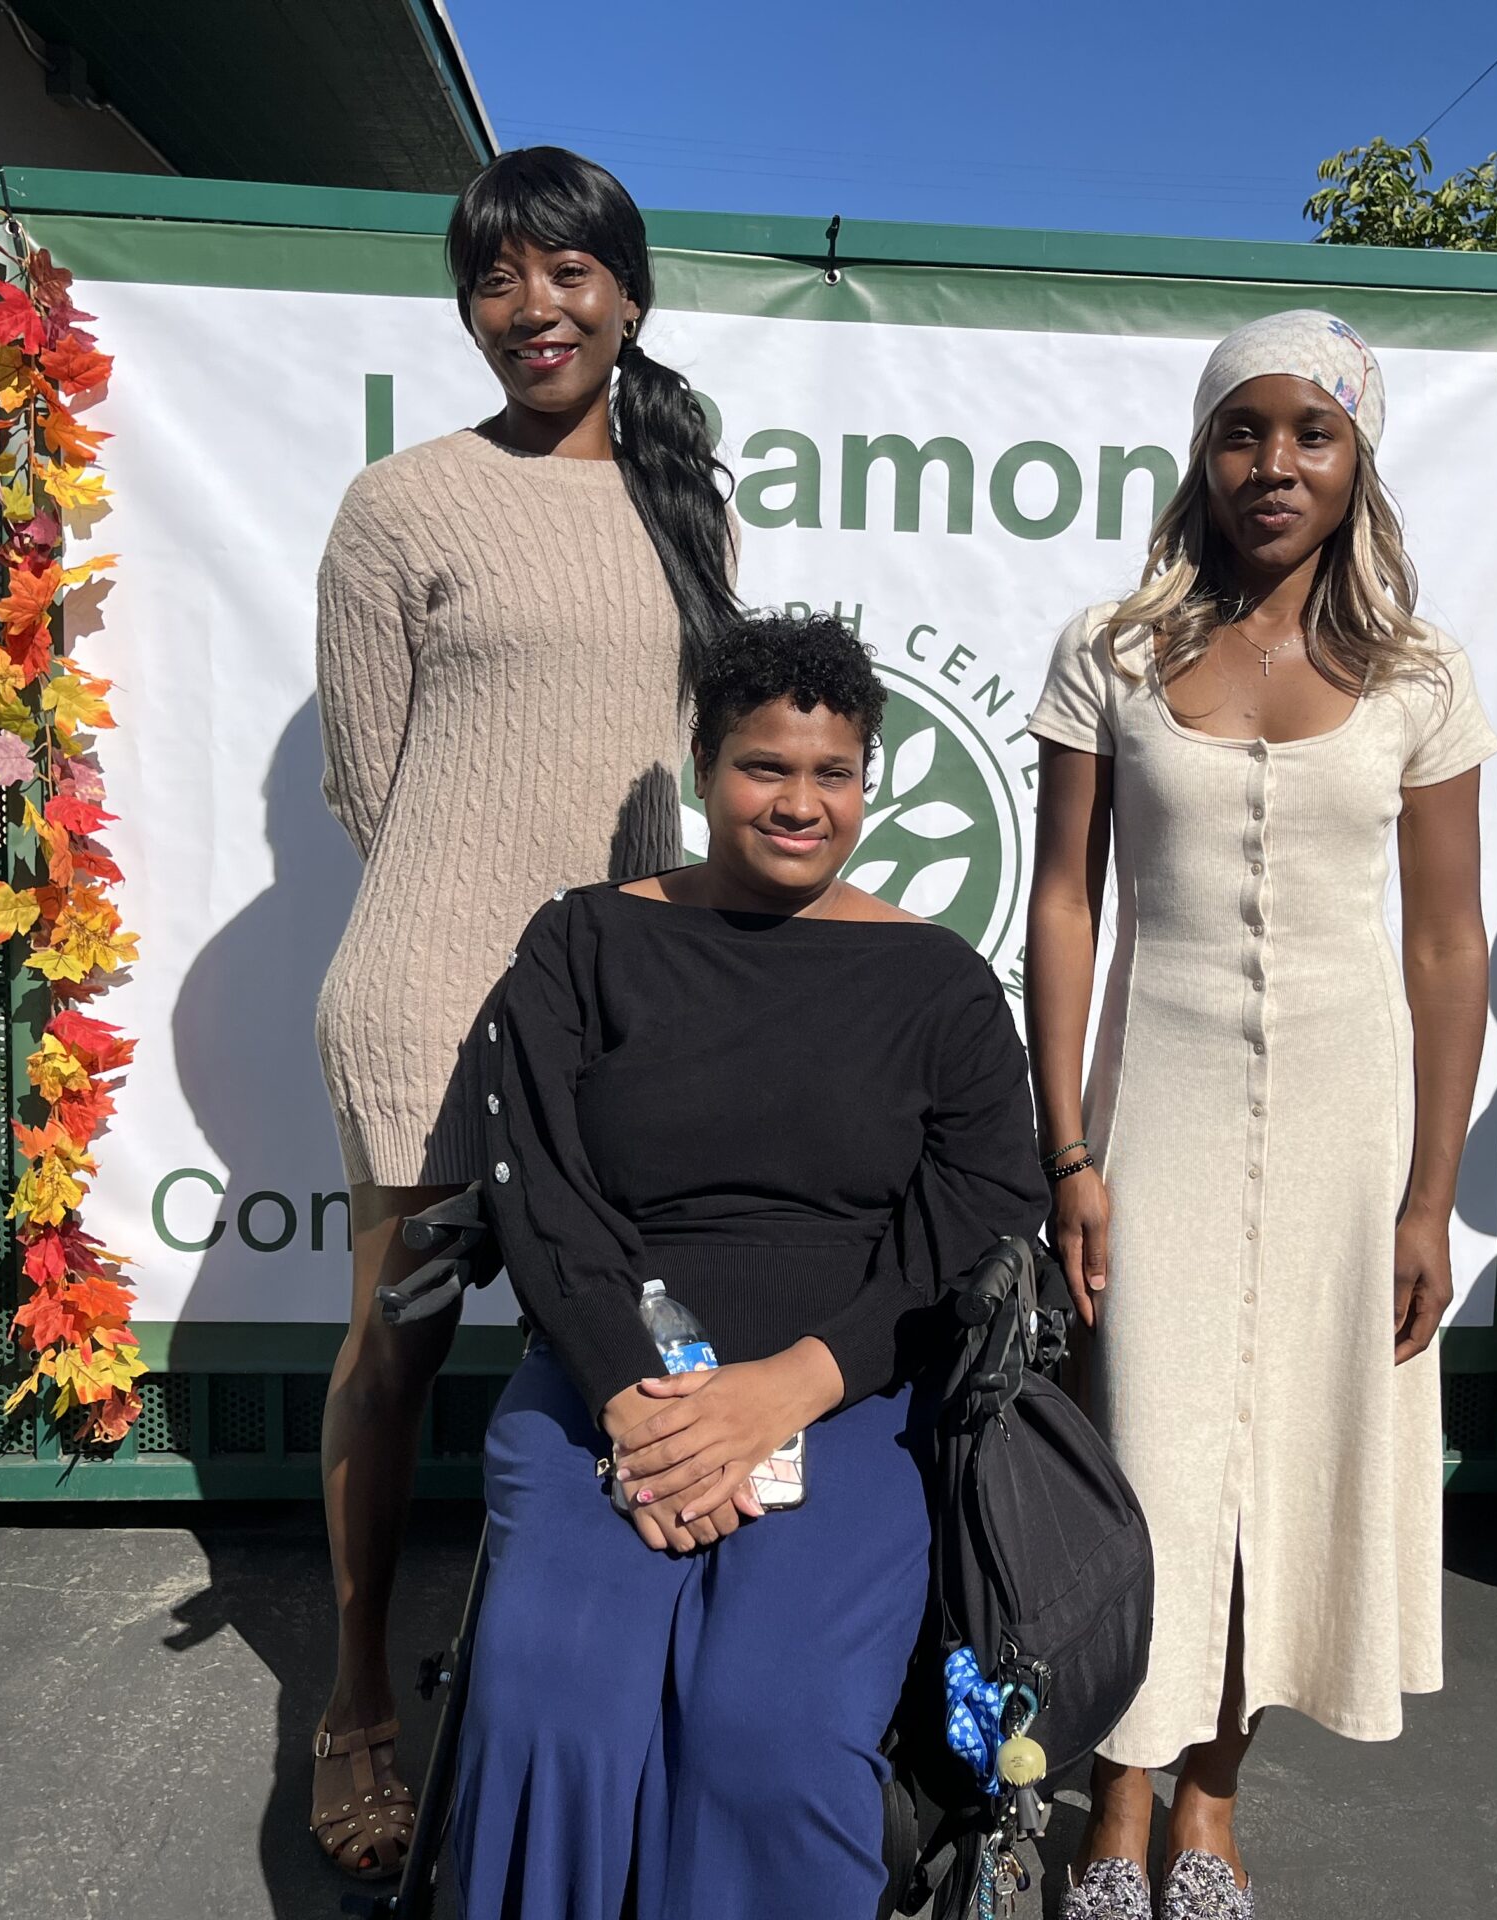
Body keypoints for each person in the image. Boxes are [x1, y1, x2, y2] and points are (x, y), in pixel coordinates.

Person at [452, 612, 1050, 1918]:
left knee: (766, 1730)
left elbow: (981, 1209)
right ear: (704, 768)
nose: (799, 802)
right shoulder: (584, 944)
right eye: (764, 766)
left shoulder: (938, 983)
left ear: (868, 781)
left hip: (852, 1393)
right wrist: (631, 1396)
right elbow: (532, 1176)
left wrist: (790, 1386)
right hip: (609, 1383)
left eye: (833, 772)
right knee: (557, 1706)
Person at [1023, 310, 1497, 1919]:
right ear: (1203, 452)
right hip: (1153, 1104)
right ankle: (1117, 1794)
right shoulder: (1109, 649)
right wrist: (1068, 1151)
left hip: (1348, 1128)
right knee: (1143, 1453)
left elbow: (1448, 946)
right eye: (1244, 430)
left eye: (1312, 432)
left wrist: (1428, 1196)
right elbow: (1065, 906)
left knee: (1291, 1464)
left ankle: (1211, 1806)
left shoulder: (1422, 676)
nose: (1274, 464)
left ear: (1357, 459)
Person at [306, 146, 736, 1878]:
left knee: (629, 1343)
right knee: (396, 1349)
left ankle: (597, 1706)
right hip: (431, 991)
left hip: (622, 1004)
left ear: (628, 293)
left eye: (567, 272)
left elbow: (688, 767)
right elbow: (368, 783)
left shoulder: (684, 503)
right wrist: (489, 911)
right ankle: (355, 1706)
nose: (532, 307)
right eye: (496, 277)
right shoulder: (401, 506)